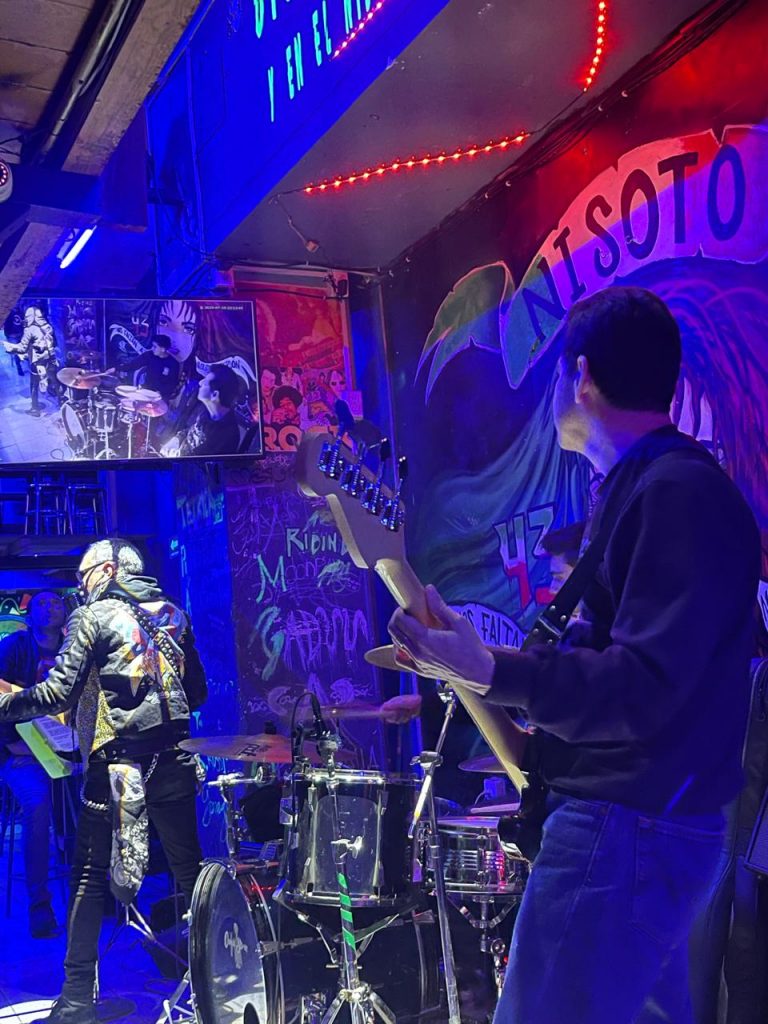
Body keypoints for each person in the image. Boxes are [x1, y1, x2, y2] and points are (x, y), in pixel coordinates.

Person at [387, 286, 761, 1024]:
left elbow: (641, 687)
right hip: (641, 828)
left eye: (556, 372)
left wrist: (488, 669)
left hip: (627, 828)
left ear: (581, 375)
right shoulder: (647, 488)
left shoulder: (675, 493)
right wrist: (478, 664)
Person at [0, 539, 207, 1024]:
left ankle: (76, 1002)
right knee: (190, 873)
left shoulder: (92, 616)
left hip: (115, 765)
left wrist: (6, 703)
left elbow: (57, 692)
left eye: (85, 573)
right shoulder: (173, 614)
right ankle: (215, 985)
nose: (80, 582)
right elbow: (195, 693)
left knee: (88, 879)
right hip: (173, 760)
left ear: (109, 570)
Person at [0, 591, 68, 938]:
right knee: (38, 803)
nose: (49, 607)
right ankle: (39, 904)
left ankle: (96, 894)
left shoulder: (73, 647)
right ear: (30, 614)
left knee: (97, 797)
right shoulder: (15, 646)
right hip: (19, 753)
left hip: (67, 750)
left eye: (56, 602)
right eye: (41, 603)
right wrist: (9, 743)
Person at [165, 364, 243, 457]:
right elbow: (192, 431)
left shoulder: (225, 436)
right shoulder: (207, 410)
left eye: (205, 383)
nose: (200, 383)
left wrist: (174, 455)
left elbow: (196, 461)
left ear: (214, 395)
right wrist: (176, 439)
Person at [3, 306, 59, 417]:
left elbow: (22, 349)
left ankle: (35, 409)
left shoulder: (30, 330)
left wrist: (9, 347)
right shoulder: (48, 327)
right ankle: (61, 404)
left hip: (37, 361)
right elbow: (55, 343)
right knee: (54, 381)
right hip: (50, 359)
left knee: (34, 384)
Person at [120, 333, 179, 399]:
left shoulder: (173, 364)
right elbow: (133, 365)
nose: (152, 348)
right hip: (147, 389)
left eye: (155, 347)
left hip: (162, 394)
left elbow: (172, 384)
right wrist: (117, 368)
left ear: (163, 349)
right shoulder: (149, 355)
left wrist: (161, 392)